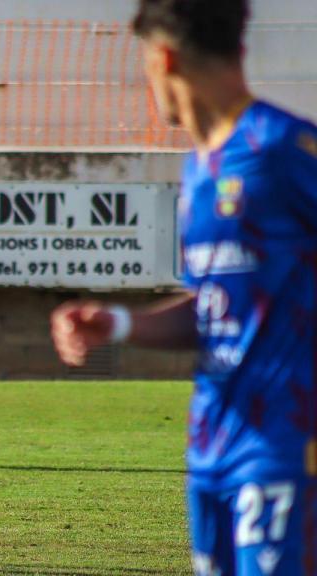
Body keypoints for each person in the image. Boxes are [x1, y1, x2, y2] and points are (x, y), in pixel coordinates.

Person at [51, 1, 317, 573]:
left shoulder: (282, 150)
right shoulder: (200, 170)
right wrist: (120, 325)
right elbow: (218, 310)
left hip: (282, 447)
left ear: (163, 56)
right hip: (210, 450)